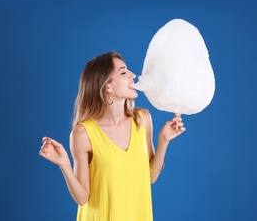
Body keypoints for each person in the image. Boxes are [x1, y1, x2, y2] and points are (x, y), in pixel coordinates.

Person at [39, 51, 185, 221]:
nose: (132, 75)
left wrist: (163, 141)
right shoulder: (83, 134)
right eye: (123, 72)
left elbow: (150, 177)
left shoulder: (143, 119)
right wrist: (64, 164)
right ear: (107, 86)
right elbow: (82, 197)